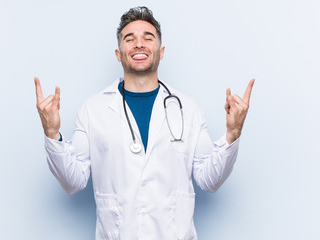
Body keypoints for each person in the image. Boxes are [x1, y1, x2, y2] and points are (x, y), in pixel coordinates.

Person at [35, 6, 254, 240]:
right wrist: (52, 132)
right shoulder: (93, 109)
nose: (139, 44)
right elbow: (73, 182)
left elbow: (209, 180)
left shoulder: (188, 109)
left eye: (147, 38)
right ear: (119, 54)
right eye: (129, 39)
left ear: (160, 51)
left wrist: (233, 133)